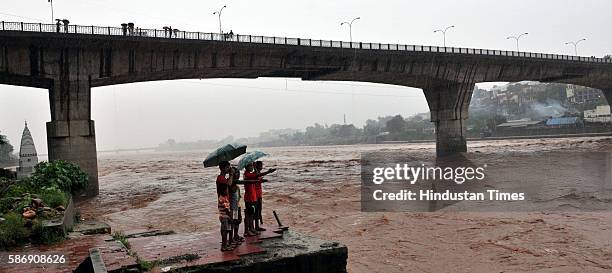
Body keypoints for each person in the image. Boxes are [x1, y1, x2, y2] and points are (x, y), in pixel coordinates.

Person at [216, 161, 234, 251]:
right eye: (227, 167)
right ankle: (224, 245)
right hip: (225, 211)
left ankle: (225, 244)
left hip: (224, 208)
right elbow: (229, 184)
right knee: (225, 229)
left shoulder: (222, 178)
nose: (228, 169)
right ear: (223, 168)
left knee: (225, 228)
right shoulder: (221, 178)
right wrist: (231, 174)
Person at [253, 161, 276, 231]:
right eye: (261, 165)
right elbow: (257, 178)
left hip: (259, 194)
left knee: (259, 210)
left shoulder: (258, 173)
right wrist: (268, 172)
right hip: (256, 194)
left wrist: (262, 180)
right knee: (257, 210)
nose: (262, 167)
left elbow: (259, 179)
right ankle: (256, 226)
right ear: (257, 166)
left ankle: (259, 224)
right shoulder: (255, 174)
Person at [229, 166, 245, 246]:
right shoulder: (231, 185)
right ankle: (231, 238)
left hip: (237, 207)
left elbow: (238, 198)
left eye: (239, 172)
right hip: (232, 208)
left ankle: (235, 235)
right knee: (232, 223)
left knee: (237, 222)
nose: (238, 174)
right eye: (236, 173)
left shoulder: (237, 186)